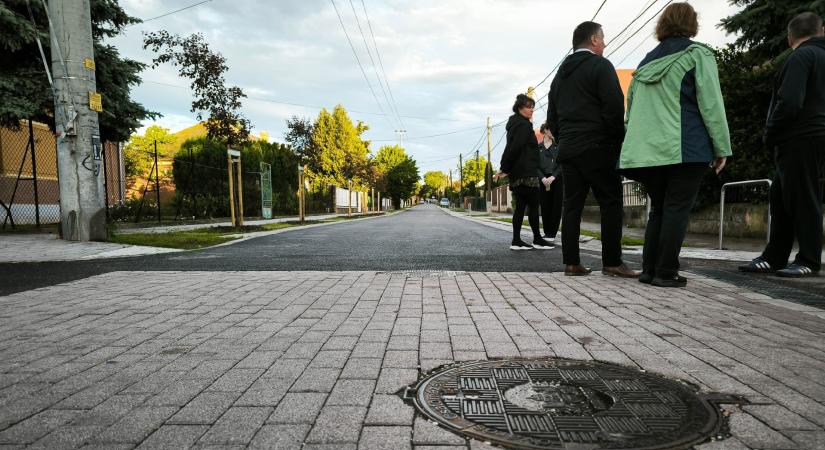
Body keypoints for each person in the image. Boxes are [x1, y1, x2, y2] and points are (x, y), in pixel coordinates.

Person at [619, 2, 732, 288]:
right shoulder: (698, 55)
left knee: (659, 209)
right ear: (692, 24)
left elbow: (630, 113)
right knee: (677, 209)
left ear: (663, 25)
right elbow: (711, 105)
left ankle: (649, 270)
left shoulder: (644, 64)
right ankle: (666, 271)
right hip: (686, 147)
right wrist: (722, 147)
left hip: (647, 152)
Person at [547, 21, 639, 277]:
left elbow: (552, 116)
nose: (605, 44)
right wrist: (616, 141)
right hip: (598, 146)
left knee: (572, 206)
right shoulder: (601, 65)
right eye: (603, 38)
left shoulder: (560, 75)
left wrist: (564, 138)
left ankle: (571, 263)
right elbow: (613, 106)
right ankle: (612, 262)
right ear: (594, 40)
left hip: (569, 149)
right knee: (610, 202)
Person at [740, 12, 825, 278]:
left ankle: (809, 260)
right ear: (820, 31)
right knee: (781, 197)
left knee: (803, 199)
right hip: (815, 137)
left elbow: (789, 103)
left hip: (801, 137)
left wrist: (770, 133)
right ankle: (774, 256)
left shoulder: (801, 56)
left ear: (790, 37)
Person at [497, 94, 554, 251]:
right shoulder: (523, 125)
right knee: (534, 206)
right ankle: (537, 239)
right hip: (527, 172)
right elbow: (515, 148)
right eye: (529, 107)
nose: (532, 110)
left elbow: (509, 148)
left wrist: (504, 168)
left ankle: (516, 241)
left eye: (532, 107)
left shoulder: (514, 125)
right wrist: (505, 168)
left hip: (517, 173)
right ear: (520, 108)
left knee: (521, 207)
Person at [537, 124, 563, 245]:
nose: (554, 132)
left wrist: (554, 176)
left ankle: (552, 233)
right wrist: (542, 178)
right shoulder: (538, 147)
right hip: (543, 181)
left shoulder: (558, 146)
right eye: (552, 129)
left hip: (556, 179)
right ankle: (546, 232)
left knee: (556, 206)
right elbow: (535, 165)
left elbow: (562, 163)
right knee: (545, 206)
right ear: (546, 130)